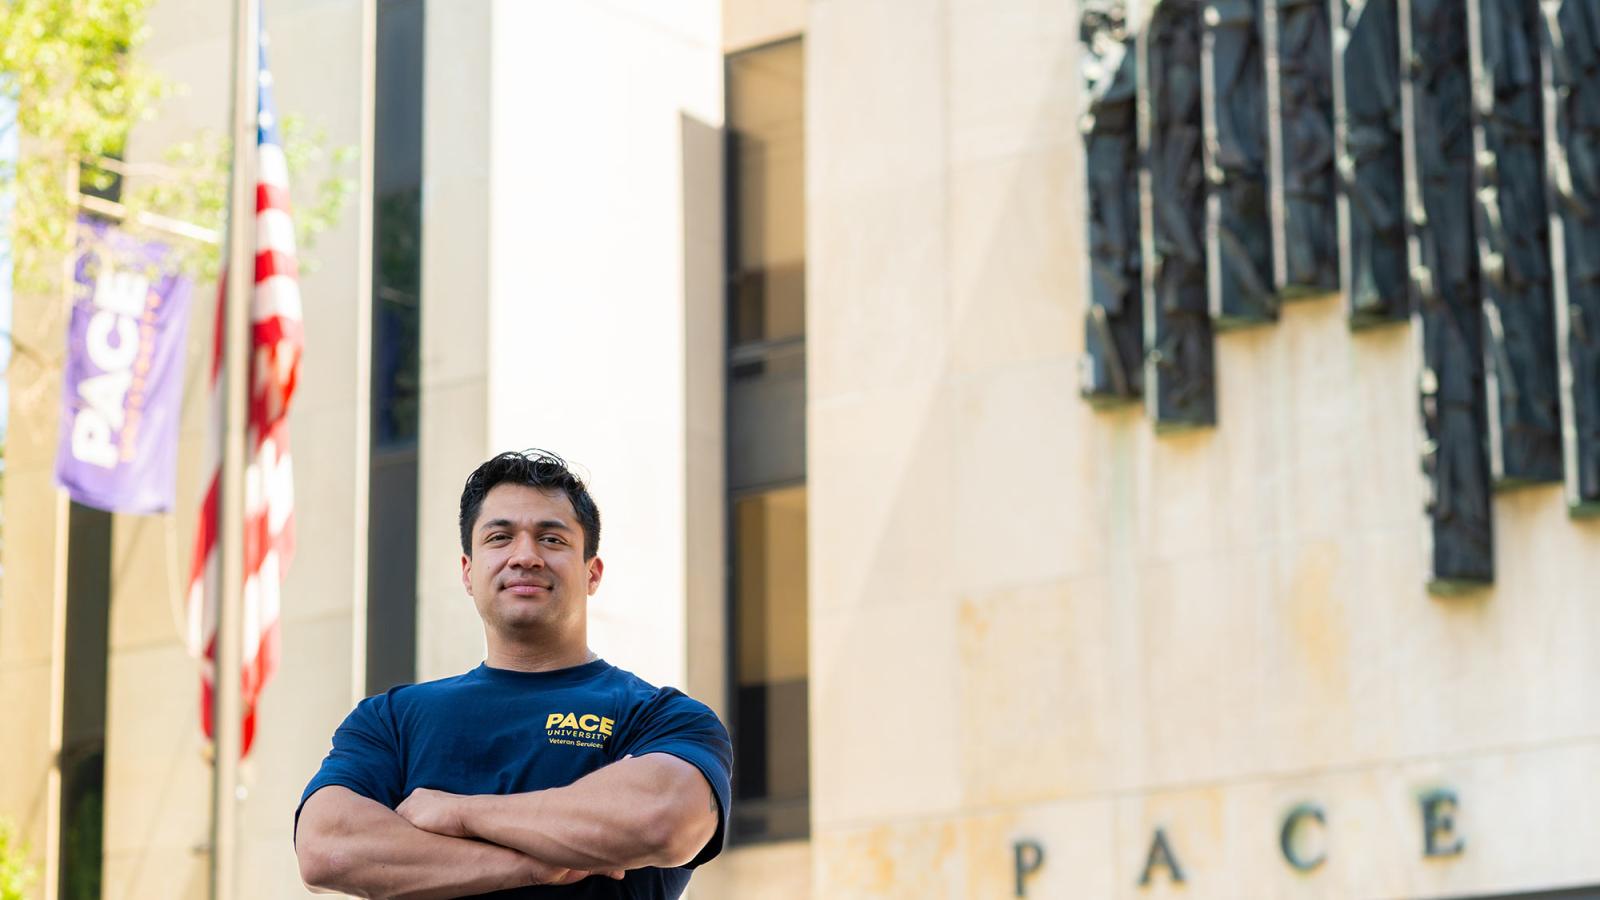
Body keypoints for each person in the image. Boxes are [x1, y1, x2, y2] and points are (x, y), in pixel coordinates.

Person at [295, 449, 732, 898]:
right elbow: (327, 848)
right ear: (468, 572)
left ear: (592, 574)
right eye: (499, 537)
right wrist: (541, 862)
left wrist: (457, 814)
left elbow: (665, 819)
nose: (525, 556)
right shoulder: (390, 719)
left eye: (552, 539)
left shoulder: (662, 717)